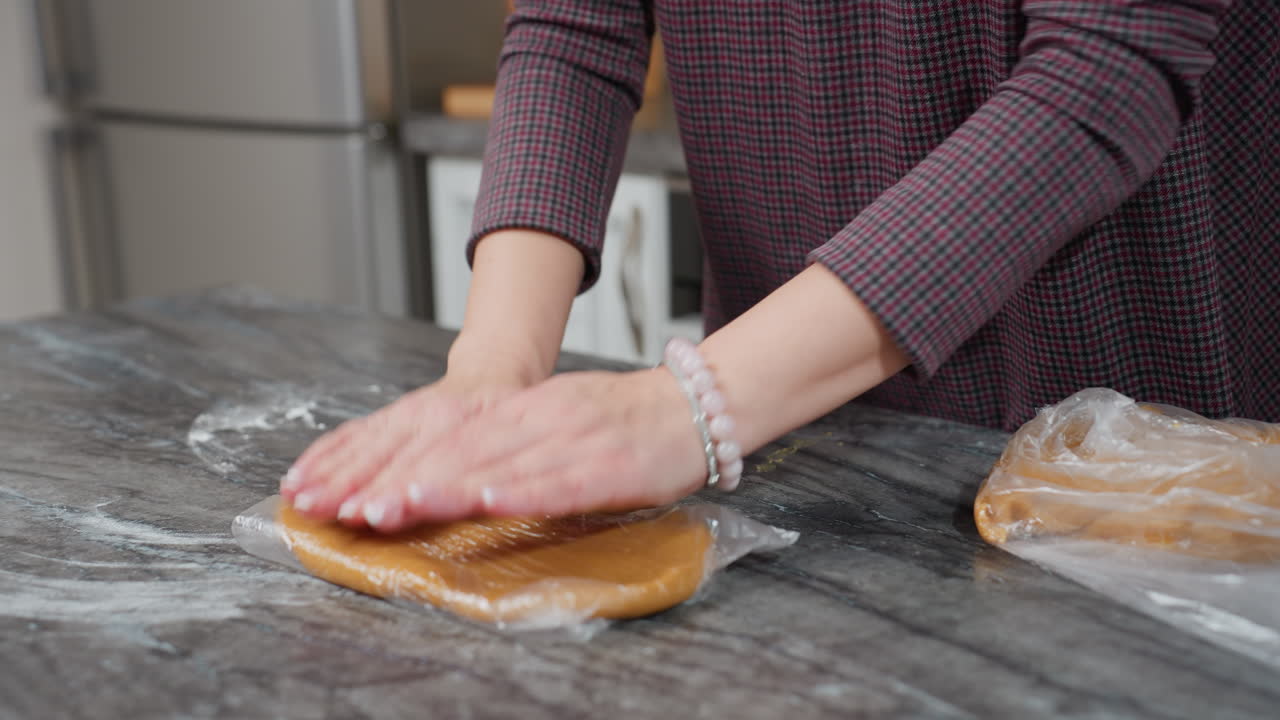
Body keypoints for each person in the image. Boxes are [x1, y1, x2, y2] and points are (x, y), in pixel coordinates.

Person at [281, 0, 1277, 532]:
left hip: (1125, 437)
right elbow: (571, 29)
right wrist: (487, 377)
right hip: (788, 435)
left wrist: (689, 407)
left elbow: (1106, 64)